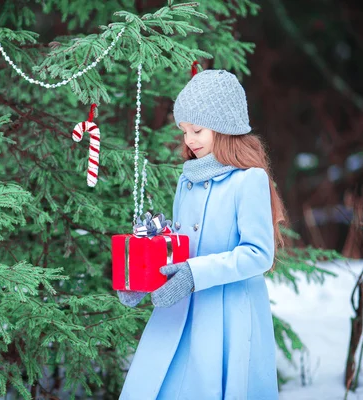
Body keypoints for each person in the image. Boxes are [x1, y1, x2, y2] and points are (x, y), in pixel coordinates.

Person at [118, 69, 286, 399]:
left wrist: (195, 274)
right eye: (184, 131)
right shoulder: (188, 179)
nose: (189, 140)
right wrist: (143, 274)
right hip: (181, 309)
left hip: (227, 315)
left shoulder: (247, 180)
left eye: (197, 130)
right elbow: (181, 247)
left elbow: (258, 254)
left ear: (224, 129)